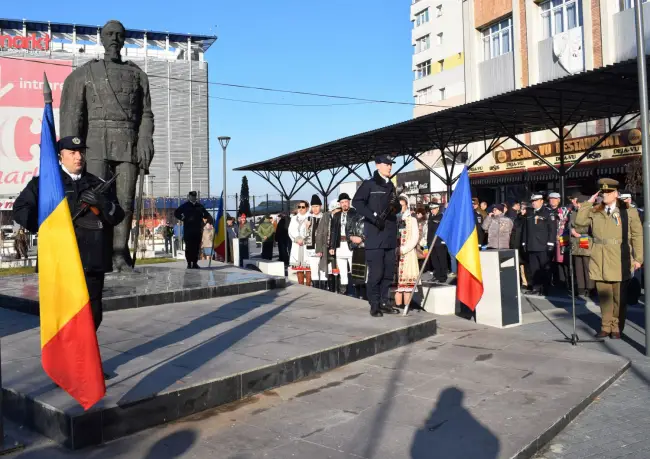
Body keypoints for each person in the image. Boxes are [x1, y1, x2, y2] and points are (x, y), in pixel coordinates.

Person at [60, 20, 154, 272]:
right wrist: (70, 153)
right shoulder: (84, 75)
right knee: (94, 199)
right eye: (109, 34)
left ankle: (119, 253)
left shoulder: (138, 76)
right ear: (101, 38)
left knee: (125, 200)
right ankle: (96, 251)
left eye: (119, 35)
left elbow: (146, 114)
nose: (114, 38)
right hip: (95, 144)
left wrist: (145, 139)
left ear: (124, 40)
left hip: (128, 143)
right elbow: (73, 117)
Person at [13, 136, 125, 331]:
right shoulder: (45, 183)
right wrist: (47, 227)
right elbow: (20, 208)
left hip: (92, 260)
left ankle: (83, 357)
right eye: (72, 153)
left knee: (93, 313)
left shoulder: (96, 183)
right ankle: (67, 359)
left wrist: (102, 203)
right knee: (61, 316)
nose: (78, 157)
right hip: (59, 260)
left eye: (81, 152)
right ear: (60, 156)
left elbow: (118, 215)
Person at [576, 178, 643, 339]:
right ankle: (605, 326)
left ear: (615, 193)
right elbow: (579, 225)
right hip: (599, 257)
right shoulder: (595, 210)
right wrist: (587, 203)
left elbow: (637, 235)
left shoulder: (628, 210)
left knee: (619, 297)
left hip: (619, 256)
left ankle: (617, 327)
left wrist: (638, 258)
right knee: (604, 296)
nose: (604, 195)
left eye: (607, 192)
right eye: (602, 192)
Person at [352, 154, 399, 317]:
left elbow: (396, 208)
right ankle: (374, 303)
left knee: (388, 273)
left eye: (391, 164)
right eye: (387, 164)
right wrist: (373, 216)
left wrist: (395, 206)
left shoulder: (391, 186)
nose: (390, 167)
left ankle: (385, 301)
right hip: (374, 235)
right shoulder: (369, 184)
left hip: (390, 236)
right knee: (376, 272)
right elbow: (357, 202)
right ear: (378, 165)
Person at [521, 193, 555, 295]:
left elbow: (552, 229)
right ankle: (536, 287)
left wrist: (550, 243)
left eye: (535, 201)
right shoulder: (530, 213)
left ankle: (545, 288)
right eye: (532, 201)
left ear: (541, 201)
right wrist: (524, 242)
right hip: (532, 245)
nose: (533, 203)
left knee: (544, 268)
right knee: (533, 268)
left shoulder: (548, 213)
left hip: (543, 245)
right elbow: (525, 229)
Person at [392, 195, 420, 311]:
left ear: (407, 206)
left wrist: (403, 249)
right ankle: (398, 307)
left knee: (407, 286)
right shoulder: (393, 219)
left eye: (402, 205)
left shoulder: (412, 220)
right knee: (397, 287)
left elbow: (415, 237)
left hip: (408, 255)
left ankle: (406, 307)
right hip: (395, 255)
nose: (400, 208)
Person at [174, 191, 213, 269]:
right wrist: (183, 218)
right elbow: (176, 213)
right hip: (188, 231)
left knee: (196, 247)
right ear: (189, 197)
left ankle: (195, 263)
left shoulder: (199, 206)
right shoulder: (185, 206)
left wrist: (208, 222)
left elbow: (207, 215)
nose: (193, 198)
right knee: (189, 247)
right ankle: (189, 263)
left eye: (194, 196)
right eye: (192, 196)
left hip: (197, 230)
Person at [328, 193, 357, 295]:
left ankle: (355, 291)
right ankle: (343, 291)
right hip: (340, 245)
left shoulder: (355, 213)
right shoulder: (336, 215)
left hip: (351, 245)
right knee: (342, 271)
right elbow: (333, 231)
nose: (344, 204)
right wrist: (332, 246)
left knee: (354, 270)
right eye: (342, 202)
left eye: (346, 202)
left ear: (349, 202)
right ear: (339, 204)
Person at [569, 195, 594, 298]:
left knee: (587, 264)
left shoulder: (590, 212)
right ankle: (581, 287)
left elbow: (590, 227)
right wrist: (571, 230)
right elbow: (570, 224)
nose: (578, 205)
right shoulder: (574, 212)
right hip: (576, 241)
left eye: (579, 203)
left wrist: (577, 231)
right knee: (578, 265)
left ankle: (590, 288)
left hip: (585, 239)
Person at [304, 195, 330, 289]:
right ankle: (316, 288)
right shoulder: (308, 218)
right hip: (311, 247)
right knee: (314, 269)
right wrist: (306, 228)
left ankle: (324, 288)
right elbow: (304, 236)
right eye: (313, 206)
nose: (315, 209)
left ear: (321, 206)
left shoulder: (325, 217)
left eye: (317, 206)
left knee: (323, 269)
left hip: (323, 246)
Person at [346, 211, 367, 300]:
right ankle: (358, 295)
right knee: (356, 272)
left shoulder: (370, 215)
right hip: (356, 248)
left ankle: (366, 296)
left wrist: (362, 238)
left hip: (367, 247)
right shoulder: (353, 216)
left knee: (367, 274)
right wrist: (351, 238)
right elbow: (348, 229)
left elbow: (373, 231)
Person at [427, 202, 448, 283]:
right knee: (434, 260)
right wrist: (428, 242)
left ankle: (443, 276)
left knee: (442, 259)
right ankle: (437, 275)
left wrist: (443, 241)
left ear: (438, 208)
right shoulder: (430, 217)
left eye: (434, 209)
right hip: (431, 242)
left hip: (439, 242)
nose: (432, 211)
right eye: (431, 209)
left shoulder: (442, 217)